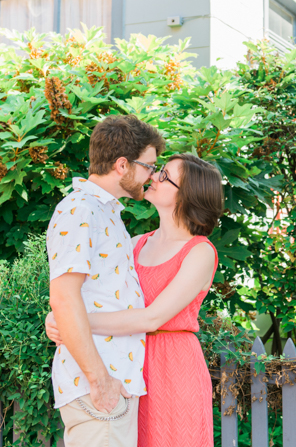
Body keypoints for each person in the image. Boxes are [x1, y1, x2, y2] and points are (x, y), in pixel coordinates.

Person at [46, 153, 224, 447]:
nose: (152, 176)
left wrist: (74, 322)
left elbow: (151, 317)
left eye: (165, 175)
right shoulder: (134, 243)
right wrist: (59, 316)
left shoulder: (200, 252)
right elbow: (88, 293)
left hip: (174, 366)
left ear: (188, 195)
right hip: (129, 364)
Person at [47, 114, 165, 447]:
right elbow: (65, 298)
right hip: (100, 387)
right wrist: (101, 380)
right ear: (123, 165)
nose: (152, 175)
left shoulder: (103, 212)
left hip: (112, 383)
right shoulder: (80, 210)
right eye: (149, 166)